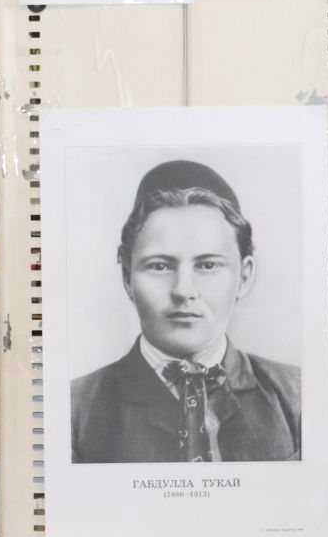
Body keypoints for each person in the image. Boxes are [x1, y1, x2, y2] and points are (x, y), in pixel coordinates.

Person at [71, 160, 301, 463]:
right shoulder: (74, 409)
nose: (183, 290)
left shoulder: (296, 395)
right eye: (160, 266)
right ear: (127, 277)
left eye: (207, 265)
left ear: (244, 277)